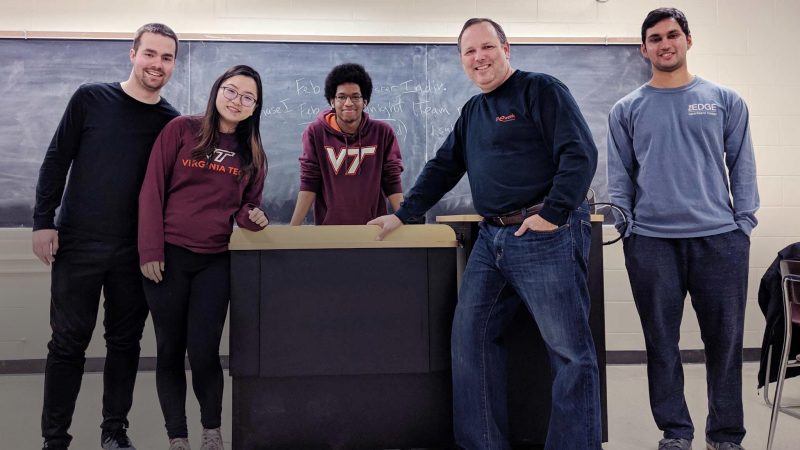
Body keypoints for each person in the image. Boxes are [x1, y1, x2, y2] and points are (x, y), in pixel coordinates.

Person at [369, 18, 601, 450]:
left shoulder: (541, 90)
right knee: (469, 340)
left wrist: (552, 212)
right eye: (469, 52)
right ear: (461, 60)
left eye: (486, 47)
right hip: (490, 241)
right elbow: (443, 166)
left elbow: (580, 153)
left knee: (569, 353)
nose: (479, 58)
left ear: (506, 48)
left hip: (544, 235)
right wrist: (403, 214)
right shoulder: (473, 112)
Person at [606, 8, 759, 450]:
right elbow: (620, 176)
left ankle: (726, 435)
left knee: (725, 344)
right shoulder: (626, 109)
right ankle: (676, 432)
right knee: (661, 342)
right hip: (651, 243)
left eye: (672, 35)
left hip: (720, 241)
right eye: (654, 38)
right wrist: (628, 226)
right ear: (644, 49)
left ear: (688, 40)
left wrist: (743, 225)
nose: (664, 44)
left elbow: (742, 164)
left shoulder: (725, 100)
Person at [32, 23, 180, 450]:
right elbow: (57, 158)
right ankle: (54, 440)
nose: (157, 64)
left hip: (134, 252)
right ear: (131, 54)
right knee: (66, 343)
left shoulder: (171, 123)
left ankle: (114, 432)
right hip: (76, 244)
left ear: (173, 64)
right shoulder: (90, 98)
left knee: (125, 342)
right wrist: (44, 220)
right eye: (150, 53)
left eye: (167, 57)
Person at [138, 64, 268, 450]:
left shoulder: (253, 153)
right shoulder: (181, 129)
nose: (237, 101)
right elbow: (151, 191)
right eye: (231, 91)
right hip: (167, 258)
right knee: (170, 349)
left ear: (255, 107)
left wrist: (255, 219)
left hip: (214, 260)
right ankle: (177, 436)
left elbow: (246, 210)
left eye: (247, 97)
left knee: (205, 350)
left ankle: (211, 432)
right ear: (217, 91)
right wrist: (149, 249)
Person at [289, 63, 404, 225]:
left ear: (365, 101)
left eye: (355, 96)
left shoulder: (383, 133)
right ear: (332, 101)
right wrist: (292, 229)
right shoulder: (315, 132)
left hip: (375, 230)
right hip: (329, 233)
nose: (348, 103)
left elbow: (392, 181)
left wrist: (405, 222)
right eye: (341, 97)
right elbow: (309, 181)